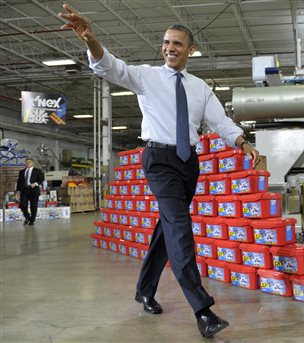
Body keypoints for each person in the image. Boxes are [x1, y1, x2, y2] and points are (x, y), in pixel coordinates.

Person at [59, 4, 260, 339]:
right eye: (166, 42)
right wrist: (91, 39)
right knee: (180, 228)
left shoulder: (199, 87)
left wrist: (244, 143)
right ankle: (203, 310)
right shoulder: (147, 76)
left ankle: (145, 291)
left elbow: (220, 122)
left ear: (190, 50)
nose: (170, 48)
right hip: (159, 161)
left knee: (167, 229)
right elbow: (111, 67)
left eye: (177, 44)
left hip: (187, 163)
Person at [16, 158, 45, 226]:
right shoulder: (22, 171)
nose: (28, 163)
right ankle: (28, 217)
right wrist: (18, 191)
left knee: (33, 206)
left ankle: (32, 220)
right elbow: (19, 182)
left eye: (29, 162)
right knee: (22, 205)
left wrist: (36, 184)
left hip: (33, 190)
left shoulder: (37, 171)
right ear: (25, 163)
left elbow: (42, 179)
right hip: (24, 190)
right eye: (26, 162)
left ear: (32, 163)